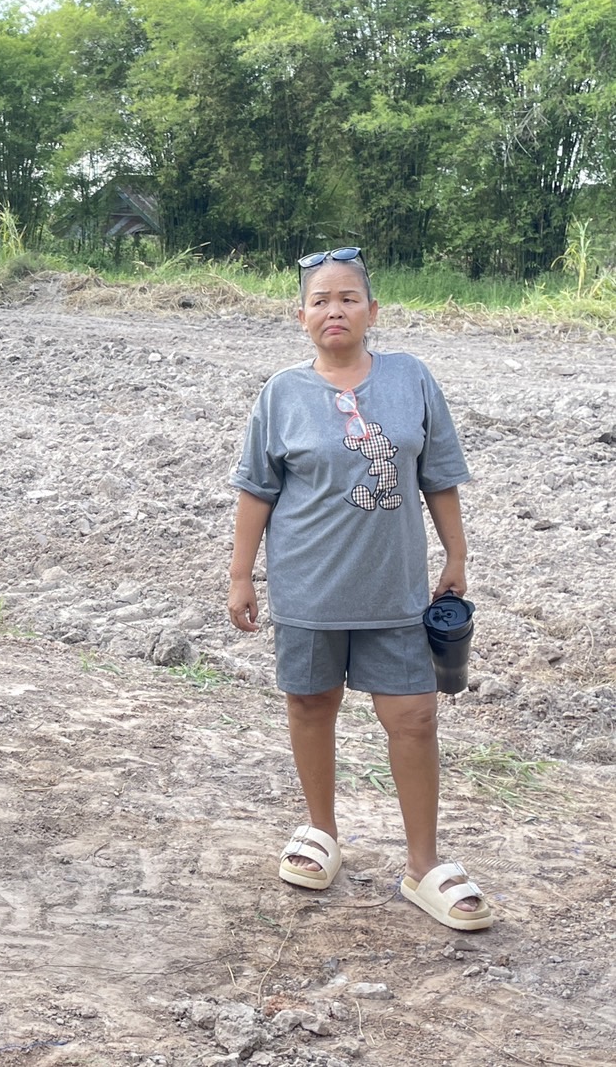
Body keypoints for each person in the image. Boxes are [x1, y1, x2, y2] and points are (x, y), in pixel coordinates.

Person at [227, 246, 492, 932]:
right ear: (300, 317)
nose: (333, 310)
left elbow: (438, 472)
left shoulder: (410, 379)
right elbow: (256, 489)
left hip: (395, 592)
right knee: (311, 705)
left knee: (414, 717)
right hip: (307, 589)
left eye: (347, 298)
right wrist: (238, 573)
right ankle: (320, 831)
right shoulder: (281, 393)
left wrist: (456, 552)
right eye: (319, 300)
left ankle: (423, 864)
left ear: (372, 311)